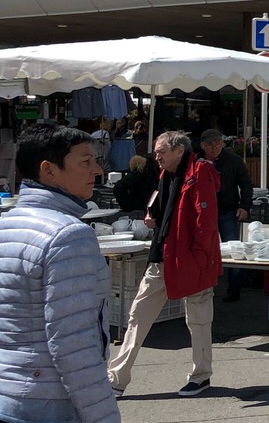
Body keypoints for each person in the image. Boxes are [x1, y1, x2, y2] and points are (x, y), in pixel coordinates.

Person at [0, 124, 121, 423]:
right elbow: (74, 345)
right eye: (85, 161)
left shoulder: (7, 224)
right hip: (49, 405)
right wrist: (104, 417)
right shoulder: (69, 235)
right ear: (49, 171)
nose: (97, 170)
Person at [109, 131, 222, 398]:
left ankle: (201, 375)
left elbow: (205, 222)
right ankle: (116, 377)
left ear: (179, 150)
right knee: (138, 316)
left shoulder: (200, 172)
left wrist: (199, 258)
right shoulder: (165, 175)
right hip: (163, 257)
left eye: (161, 151)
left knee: (198, 320)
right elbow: (160, 206)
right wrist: (152, 214)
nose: (156, 155)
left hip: (191, 260)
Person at [199, 129, 252, 303]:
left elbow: (246, 185)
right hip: (203, 212)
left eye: (217, 143)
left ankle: (234, 289)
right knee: (203, 249)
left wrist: (244, 206)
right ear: (203, 146)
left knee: (233, 249)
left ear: (223, 143)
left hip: (228, 210)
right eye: (210, 144)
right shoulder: (196, 161)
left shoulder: (234, 161)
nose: (214, 147)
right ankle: (203, 288)